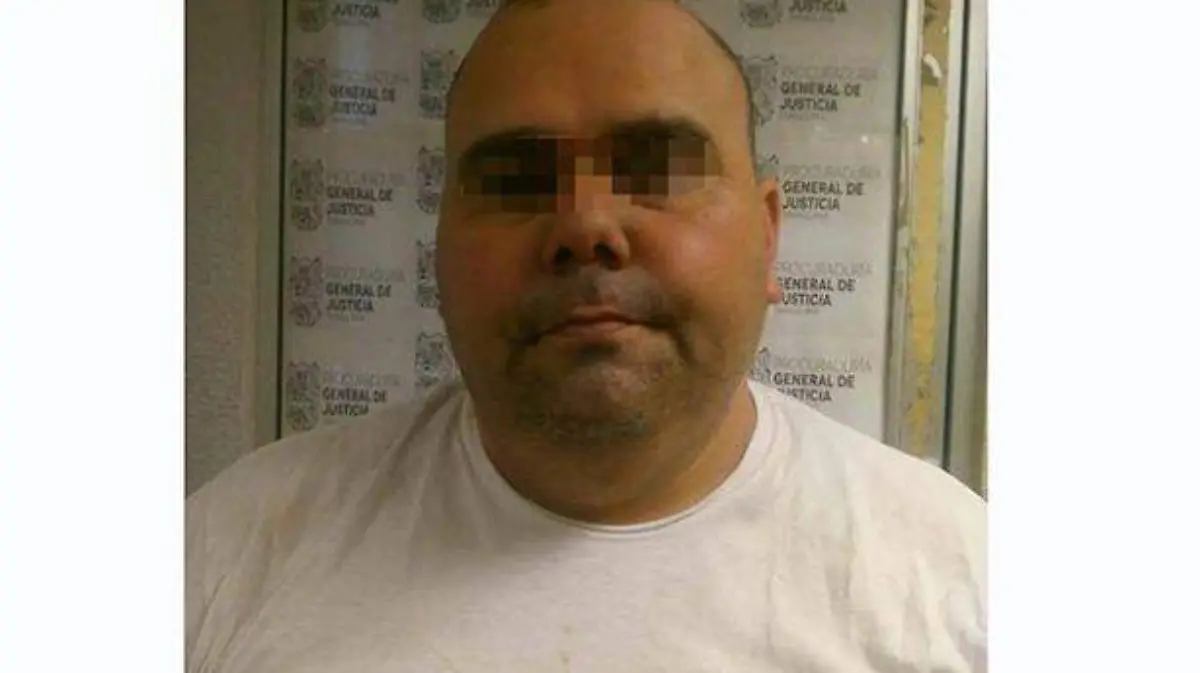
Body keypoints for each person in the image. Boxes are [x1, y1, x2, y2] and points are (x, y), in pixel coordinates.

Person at [186, 0, 987, 670]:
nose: (584, 224)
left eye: (657, 170)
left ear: (769, 237)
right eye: (516, 181)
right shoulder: (232, 553)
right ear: (440, 244)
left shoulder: (958, 587)